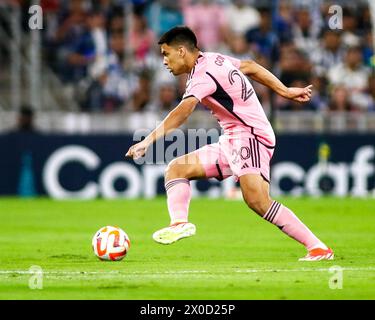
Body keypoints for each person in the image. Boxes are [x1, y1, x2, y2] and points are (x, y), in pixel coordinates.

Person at [126, 26, 333, 261]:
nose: (164, 61)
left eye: (166, 54)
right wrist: (284, 91)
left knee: (257, 201)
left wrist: (148, 140)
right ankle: (179, 224)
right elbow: (250, 67)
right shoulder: (214, 59)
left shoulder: (202, 75)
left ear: (181, 51)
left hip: (251, 136)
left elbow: (183, 112)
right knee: (176, 168)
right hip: (232, 139)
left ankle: (317, 247)